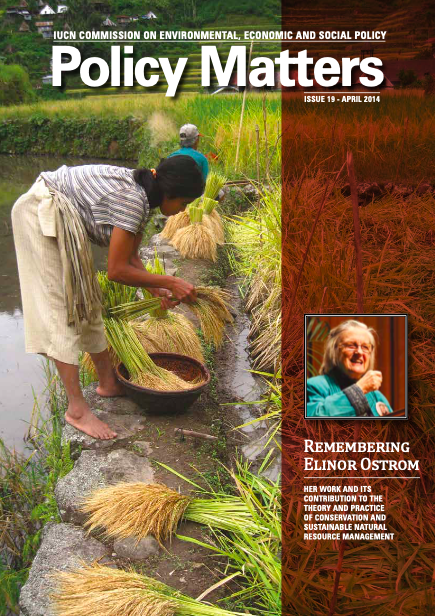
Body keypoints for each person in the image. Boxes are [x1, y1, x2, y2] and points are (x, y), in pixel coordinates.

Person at [11, 156, 204, 441]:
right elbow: (116, 270)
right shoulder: (133, 199)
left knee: (87, 300)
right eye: (184, 203)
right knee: (60, 308)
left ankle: (108, 383)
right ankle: (76, 409)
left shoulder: (144, 196)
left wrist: (155, 290)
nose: (181, 210)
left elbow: (131, 257)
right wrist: (171, 281)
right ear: (170, 192)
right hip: (40, 212)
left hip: (62, 215)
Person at [307, 320, 393, 418]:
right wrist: (359, 390)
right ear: (334, 351)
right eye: (351, 345)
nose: (359, 352)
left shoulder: (377, 396)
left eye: (365, 347)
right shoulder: (314, 386)